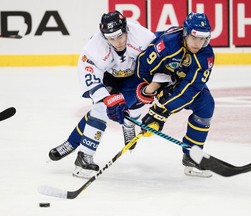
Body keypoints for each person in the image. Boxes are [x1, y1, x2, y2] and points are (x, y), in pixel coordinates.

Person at [48, 11, 155, 179]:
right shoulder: (94, 47)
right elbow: (90, 77)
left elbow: (159, 64)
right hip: (108, 77)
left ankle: (128, 123)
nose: (117, 42)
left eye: (120, 37)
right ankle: (84, 155)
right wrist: (108, 99)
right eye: (111, 39)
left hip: (135, 76)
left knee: (137, 99)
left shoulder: (144, 37)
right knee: (100, 109)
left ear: (126, 29)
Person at [135, 12, 215, 177]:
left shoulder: (206, 56)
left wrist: (162, 110)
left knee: (206, 104)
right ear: (185, 33)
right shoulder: (168, 43)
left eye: (203, 39)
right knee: (129, 101)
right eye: (194, 38)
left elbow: (191, 89)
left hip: (180, 81)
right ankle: (129, 118)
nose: (198, 43)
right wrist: (153, 87)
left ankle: (192, 156)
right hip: (158, 78)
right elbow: (142, 66)